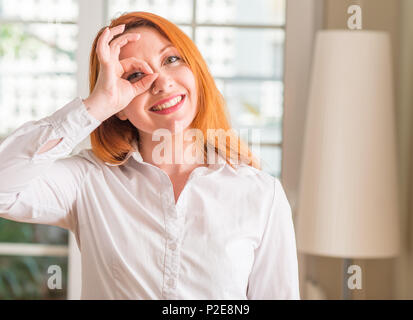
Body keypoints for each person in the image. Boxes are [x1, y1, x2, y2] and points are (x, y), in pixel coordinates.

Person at [0, 11, 300, 300]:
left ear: (195, 70)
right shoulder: (88, 179)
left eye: (171, 59)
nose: (162, 82)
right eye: (134, 75)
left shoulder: (261, 194)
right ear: (119, 108)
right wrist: (97, 104)